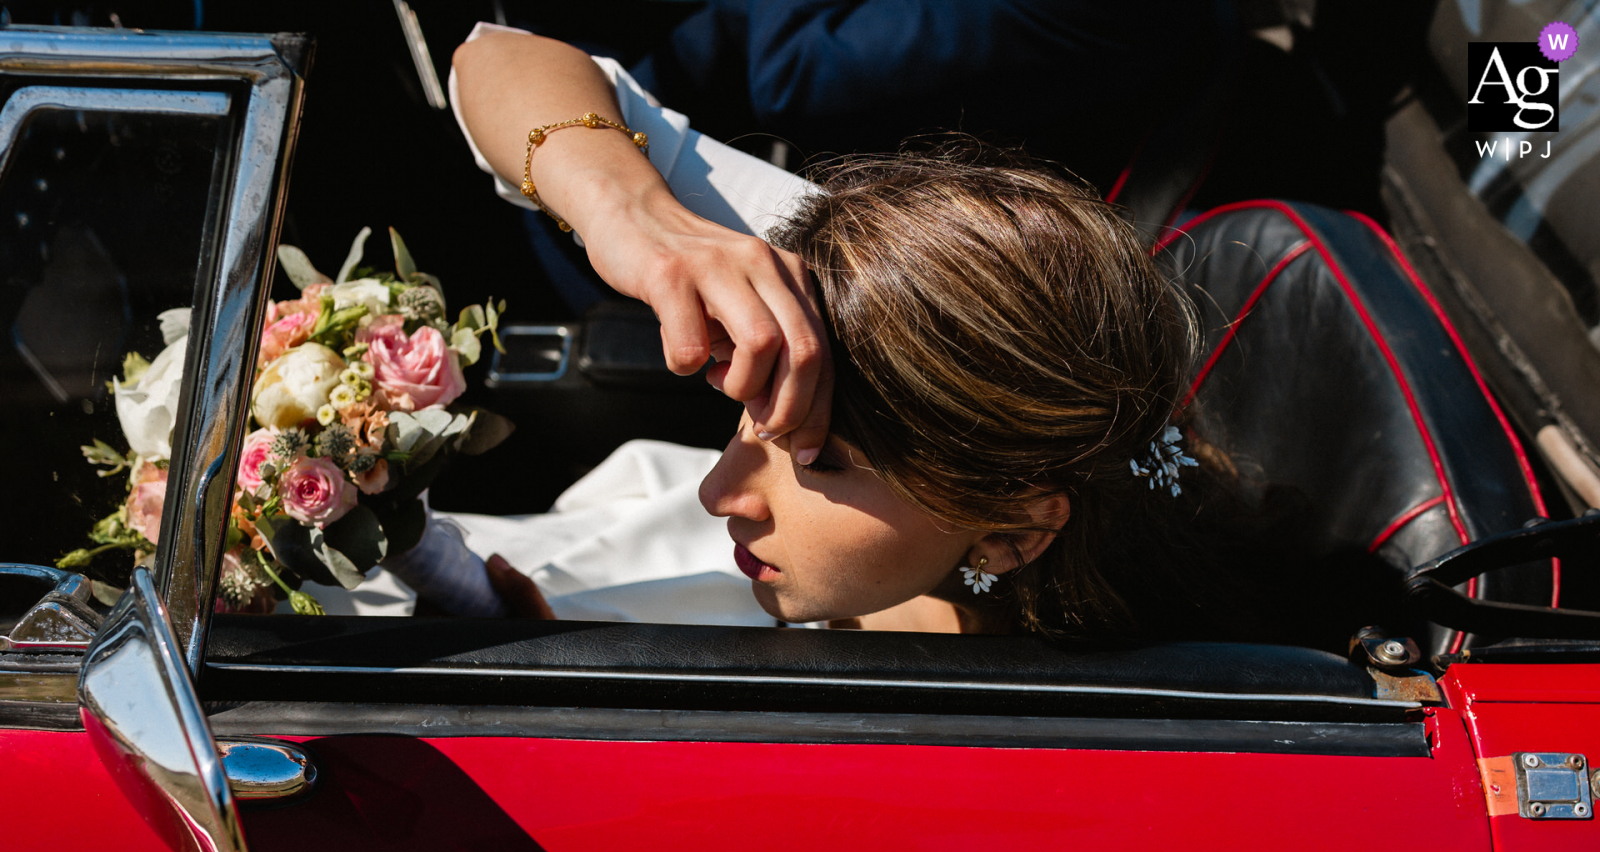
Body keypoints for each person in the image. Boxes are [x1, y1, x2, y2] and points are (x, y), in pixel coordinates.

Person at [440, 25, 1351, 645]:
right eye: (753, 409)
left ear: (1012, 533)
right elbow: (496, 58)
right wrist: (635, 215)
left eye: (823, 459)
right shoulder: (851, 287)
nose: (720, 488)